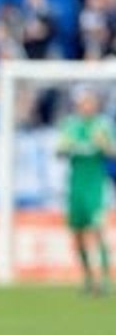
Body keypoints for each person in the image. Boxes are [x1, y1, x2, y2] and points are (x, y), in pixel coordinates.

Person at [57, 86, 116, 295]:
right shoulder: (71, 126)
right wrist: (66, 146)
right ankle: (88, 278)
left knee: (98, 229)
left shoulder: (103, 126)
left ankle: (105, 280)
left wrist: (105, 145)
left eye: (90, 102)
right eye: (83, 102)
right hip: (75, 186)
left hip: (96, 186)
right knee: (78, 234)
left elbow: (112, 152)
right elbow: (59, 152)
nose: (87, 106)